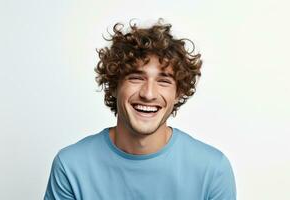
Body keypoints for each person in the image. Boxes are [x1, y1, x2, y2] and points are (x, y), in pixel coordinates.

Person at [44, 19, 236, 200]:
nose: (149, 93)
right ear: (113, 85)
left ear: (178, 93)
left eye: (164, 81)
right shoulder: (71, 166)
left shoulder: (212, 170)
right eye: (136, 78)